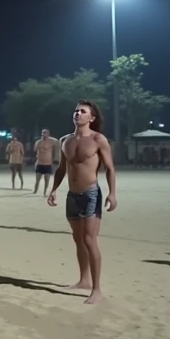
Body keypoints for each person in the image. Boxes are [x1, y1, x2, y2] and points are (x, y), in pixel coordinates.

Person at [47, 100, 117, 305]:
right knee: (77, 239)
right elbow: (61, 168)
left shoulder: (98, 139)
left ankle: (96, 289)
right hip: (72, 195)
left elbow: (110, 169)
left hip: (90, 194)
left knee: (89, 239)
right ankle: (84, 280)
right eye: (76, 110)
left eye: (82, 111)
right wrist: (53, 190)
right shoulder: (65, 141)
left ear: (91, 118)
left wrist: (112, 194)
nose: (77, 113)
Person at [32, 129, 59, 197]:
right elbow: (35, 151)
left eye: (45, 133)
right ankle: (35, 190)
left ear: (48, 134)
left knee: (46, 179)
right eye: (43, 133)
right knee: (37, 179)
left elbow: (57, 142)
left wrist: (55, 159)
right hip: (39, 163)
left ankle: (45, 192)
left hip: (48, 163)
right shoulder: (38, 142)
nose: (44, 134)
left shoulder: (51, 141)